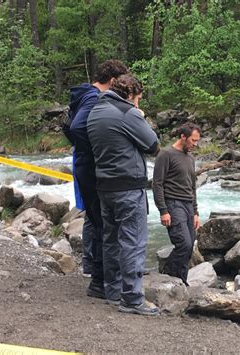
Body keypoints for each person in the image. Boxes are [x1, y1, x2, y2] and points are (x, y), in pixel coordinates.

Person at [87, 74, 159, 316]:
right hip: (128, 186)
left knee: (111, 240)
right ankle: (132, 298)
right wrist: (139, 115)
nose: (138, 103)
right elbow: (153, 144)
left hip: (104, 186)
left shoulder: (96, 111)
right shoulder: (127, 113)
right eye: (137, 98)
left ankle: (113, 291)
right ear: (130, 95)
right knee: (133, 242)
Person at [63, 60, 128, 296]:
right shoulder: (93, 97)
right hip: (90, 168)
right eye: (119, 84)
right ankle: (101, 281)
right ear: (112, 81)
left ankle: (99, 276)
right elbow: (78, 127)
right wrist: (97, 149)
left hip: (84, 165)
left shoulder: (84, 94)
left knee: (98, 220)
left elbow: (69, 126)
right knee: (103, 223)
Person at [152, 122, 201, 286]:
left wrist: (196, 212)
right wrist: (163, 210)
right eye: (193, 140)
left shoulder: (190, 158)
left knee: (190, 245)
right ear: (183, 136)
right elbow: (157, 184)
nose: (195, 144)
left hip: (188, 205)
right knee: (184, 244)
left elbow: (192, 187)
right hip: (173, 204)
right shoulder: (166, 154)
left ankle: (181, 281)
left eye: (196, 141)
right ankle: (169, 274)